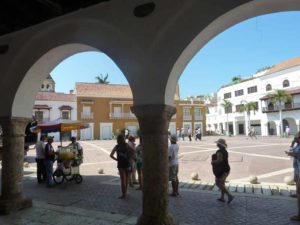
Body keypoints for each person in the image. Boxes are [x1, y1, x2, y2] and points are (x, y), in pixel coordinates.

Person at [211, 138, 234, 203]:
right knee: (222, 183)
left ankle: (230, 196)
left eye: (218, 143)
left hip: (222, 170)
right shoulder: (225, 151)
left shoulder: (219, 152)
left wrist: (213, 162)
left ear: (220, 145)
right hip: (226, 169)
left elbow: (219, 160)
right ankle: (222, 197)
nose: (217, 144)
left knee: (218, 183)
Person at [110, 135, 131, 199]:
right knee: (127, 179)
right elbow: (133, 151)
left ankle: (123, 194)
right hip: (127, 163)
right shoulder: (126, 145)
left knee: (122, 180)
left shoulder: (117, 147)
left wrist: (117, 159)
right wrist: (129, 158)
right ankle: (126, 192)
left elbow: (111, 155)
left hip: (120, 164)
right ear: (123, 139)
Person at [285, 136, 300, 221]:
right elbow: (294, 151)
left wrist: (292, 154)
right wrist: (292, 144)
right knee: (298, 191)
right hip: (297, 168)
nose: (295, 139)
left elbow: (297, 154)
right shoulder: (297, 145)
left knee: (299, 193)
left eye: (297, 137)